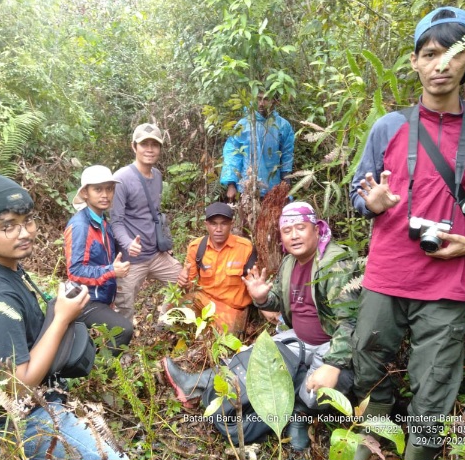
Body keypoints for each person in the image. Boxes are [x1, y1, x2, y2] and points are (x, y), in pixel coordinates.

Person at [349, 7, 465, 460]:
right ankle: (372, 441)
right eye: (429, 54)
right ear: (414, 62)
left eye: (452, 53)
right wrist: (371, 203)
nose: (440, 65)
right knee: (368, 367)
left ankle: (419, 452)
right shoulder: (389, 126)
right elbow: (357, 191)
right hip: (386, 274)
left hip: (448, 281)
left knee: (436, 379)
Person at [163, 201, 359, 451]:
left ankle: (298, 417)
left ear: (316, 229)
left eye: (301, 228)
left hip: (328, 345)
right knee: (249, 358)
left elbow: (349, 323)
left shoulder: (334, 263)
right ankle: (198, 383)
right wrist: (262, 297)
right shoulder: (291, 263)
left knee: (315, 388)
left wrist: (333, 365)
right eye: (287, 231)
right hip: (296, 337)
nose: (294, 235)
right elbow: (277, 299)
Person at [0, 172, 128, 460]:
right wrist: (61, 318)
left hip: (42, 399)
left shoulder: (3, 264)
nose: (24, 233)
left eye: (27, 222)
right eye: (7, 226)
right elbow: (18, 389)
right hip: (22, 421)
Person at [110, 123, 182, 321]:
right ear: (134, 147)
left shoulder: (157, 175)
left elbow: (154, 213)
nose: (150, 149)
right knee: (124, 311)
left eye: (155, 145)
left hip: (156, 254)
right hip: (131, 259)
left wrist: (164, 243)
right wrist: (128, 244)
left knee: (183, 280)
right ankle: (120, 347)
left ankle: (164, 319)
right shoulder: (121, 179)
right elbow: (116, 221)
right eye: (144, 144)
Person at [63, 165, 134, 355]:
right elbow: (75, 271)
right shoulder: (81, 226)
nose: (105, 195)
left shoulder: (102, 222)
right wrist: (111, 271)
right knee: (124, 330)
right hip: (85, 300)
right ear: (85, 193)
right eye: (98, 189)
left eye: (109, 189)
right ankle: (105, 375)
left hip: (99, 297)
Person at [174, 202, 257, 336]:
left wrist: (265, 304)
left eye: (223, 223)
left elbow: (254, 285)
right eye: (213, 224)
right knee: (174, 307)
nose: (218, 229)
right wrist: (183, 283)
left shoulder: (245, 247)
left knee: (227, 339)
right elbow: (188, 285)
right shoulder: (196, 247)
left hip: (232, 308)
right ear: (206, 225)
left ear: (232, 224)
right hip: (204, 301)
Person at [220, 92, 295, 201]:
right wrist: (231, 184)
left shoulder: (282, 126)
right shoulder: (243, 125)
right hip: (246, 186)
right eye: (258, 99)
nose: (261, 103)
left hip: (273, 186)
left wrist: (286, 186)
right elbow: (233, 155)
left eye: (266, 99)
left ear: (274, 101)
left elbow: (287, 157)